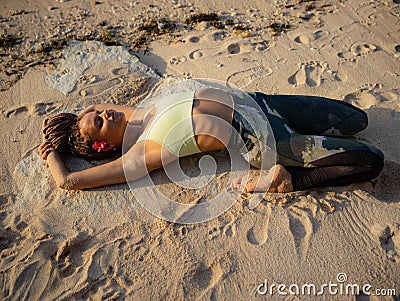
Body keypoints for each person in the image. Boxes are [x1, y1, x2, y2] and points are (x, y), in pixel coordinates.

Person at [39, 87, 384, 192]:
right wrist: (53, 154)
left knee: (358, 118)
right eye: (99, 122)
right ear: (102, 145)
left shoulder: (138, 113)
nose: (106, 114)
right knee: (371, 159)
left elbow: (92, 110)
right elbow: (69, 180)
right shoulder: (141, 152)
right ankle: (286, 180)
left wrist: (70, 123)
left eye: (99, 110)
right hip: (264, 137)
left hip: (262, 102)